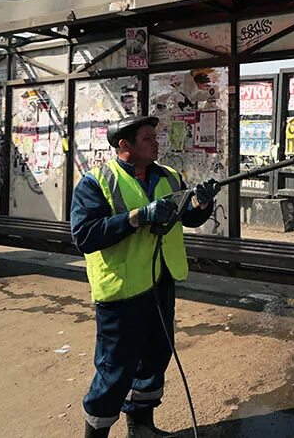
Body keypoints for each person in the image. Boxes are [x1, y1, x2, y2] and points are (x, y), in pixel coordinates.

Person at [71, 115, 219, 437]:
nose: (156, 143)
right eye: (148, 138)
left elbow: (190, 217)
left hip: (161, 282)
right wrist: (138, 217)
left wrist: (203, 202)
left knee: (155, 358)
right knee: (115, 371)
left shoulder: (169, 176)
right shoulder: (96, 182)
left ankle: (142, 426)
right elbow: (85, 235)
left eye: (155, 136)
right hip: (122, 291)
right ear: (124, 145)